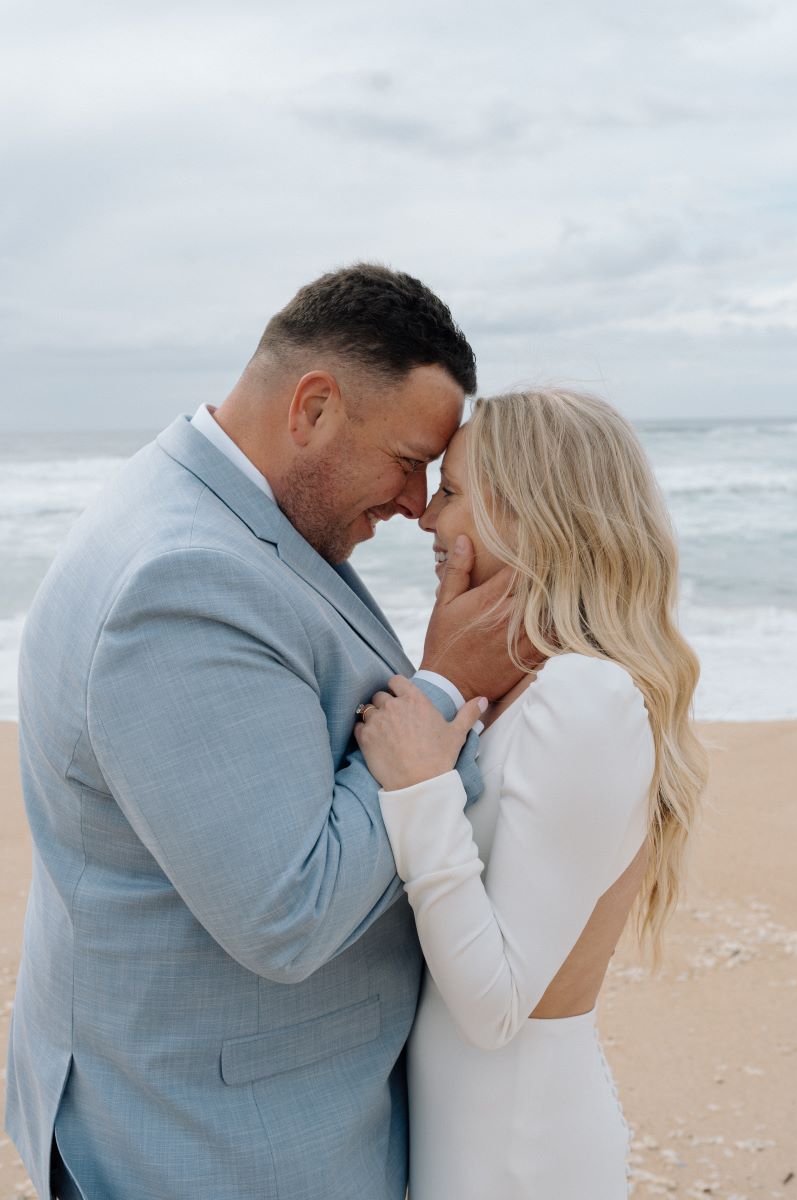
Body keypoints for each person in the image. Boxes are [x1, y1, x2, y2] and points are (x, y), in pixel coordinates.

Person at [5, 264, 525, 1200]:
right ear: (314, 407)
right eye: (409, 460)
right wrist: (447, 685)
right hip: (215, 1142)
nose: (416, 505)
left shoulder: (216, 503)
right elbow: (288, 913)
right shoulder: (179, 583)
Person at [355, 388, 708, 1199]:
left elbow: (495, 1004)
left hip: (520, 1153)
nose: (427, 518)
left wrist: (419, 789)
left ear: (527, 513)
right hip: (476, 1134)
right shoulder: (525, 691)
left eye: (449, 492)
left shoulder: (585, 697)